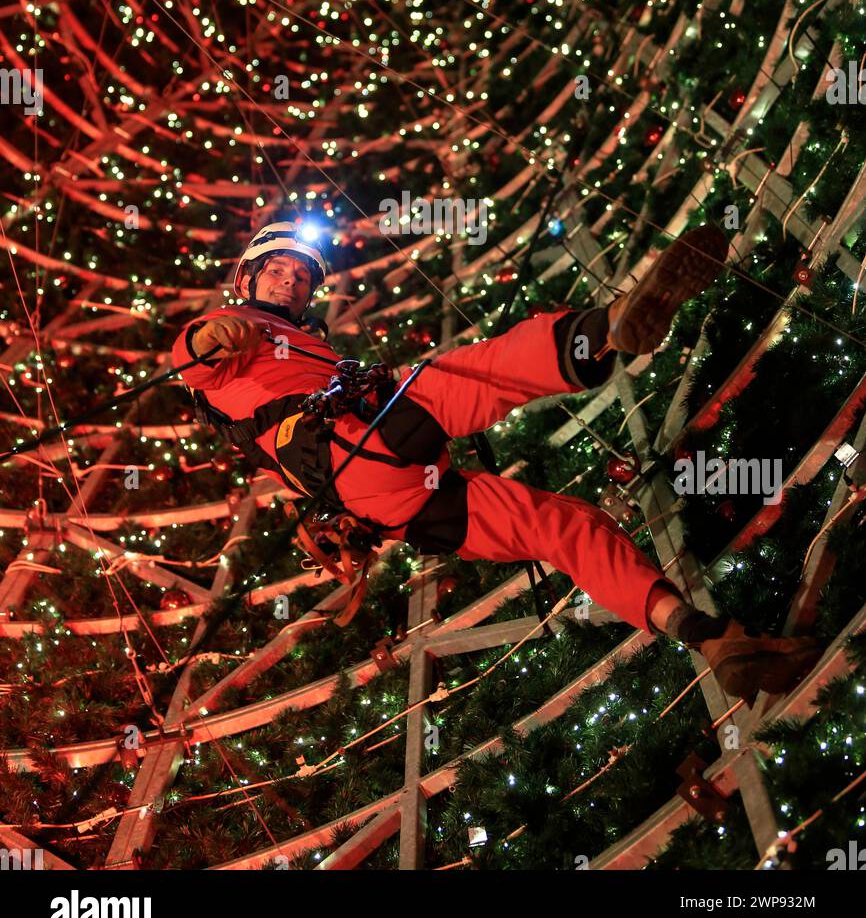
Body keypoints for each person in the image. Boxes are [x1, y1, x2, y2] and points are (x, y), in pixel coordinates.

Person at [171, 220, 821, 704]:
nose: (293, 280)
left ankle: (712, 639)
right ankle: (608, 327)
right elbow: (189, 359)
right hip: (352, 442)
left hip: (384, 498)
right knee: (471, 375)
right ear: (246, 279)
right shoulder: (235, 331)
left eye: (303, 275)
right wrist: (212, 336)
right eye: (279, 270)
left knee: (562, 524)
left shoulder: (302, 344)